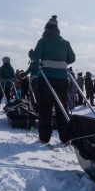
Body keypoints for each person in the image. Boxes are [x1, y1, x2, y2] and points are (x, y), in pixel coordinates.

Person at [30, 15, 75, 143]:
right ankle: (65, 137)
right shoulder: (65, 43)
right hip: (62, 78)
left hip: (46, 78)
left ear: (46, 29)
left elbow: (36, 57)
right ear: (57, 29)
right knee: (62, 106)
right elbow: (72, 59)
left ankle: (45, 137)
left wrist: (31, 54)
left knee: (45, 107)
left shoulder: (43, 41)